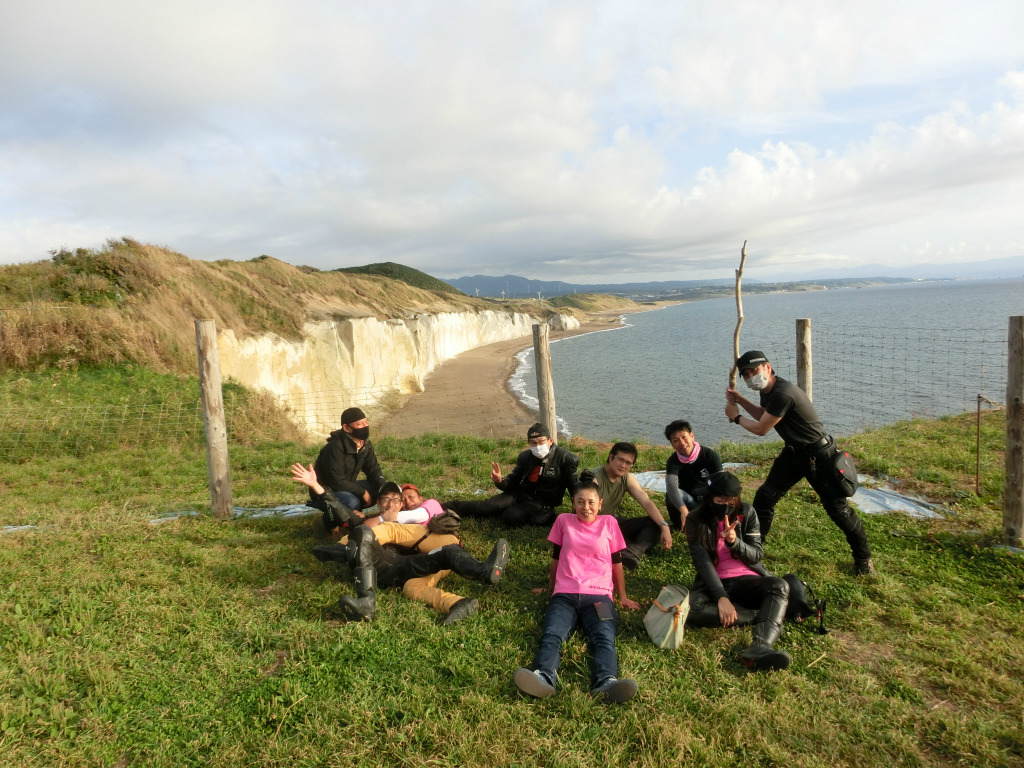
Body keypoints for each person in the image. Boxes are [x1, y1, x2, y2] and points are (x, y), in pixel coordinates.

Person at [725, 350, 875, 576]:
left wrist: (736, 417)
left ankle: (864, 560)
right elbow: (764, 415)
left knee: (839, 511)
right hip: (794, 454)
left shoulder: (783, 393)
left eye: (754, 371)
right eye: (745, 374)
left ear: (768, 367)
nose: (750, 377)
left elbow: (761, 428)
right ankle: (752, 551)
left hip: (819, 456)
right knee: (765, 497)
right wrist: (740, 400)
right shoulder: (768, 391)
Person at [293, 470, 509, 626]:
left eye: (397, 500)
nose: (391, 503)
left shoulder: (421, 512)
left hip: (431, 548)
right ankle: (459, 603)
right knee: (411, 587)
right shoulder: (373, 521)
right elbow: (345, 515)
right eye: (385, 499)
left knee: (385, 532)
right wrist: (317, 487)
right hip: (401, 566)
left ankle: (346, 551)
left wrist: (371, 528)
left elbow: (400, 523)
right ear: (378, 503)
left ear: (404, 504)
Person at [513, 471, 641, 704]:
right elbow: (555, 559)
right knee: (552, 634)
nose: (586, 507)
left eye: (591, 502)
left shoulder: (609, 523)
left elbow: (617, 562)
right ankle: (543, 676)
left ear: (600, 504)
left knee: (604, 637)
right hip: (565, 595)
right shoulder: (563, 521)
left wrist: (622, 595)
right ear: (573, 503)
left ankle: (607, 682)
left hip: (600, 597)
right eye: (580, 502)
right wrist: (550, 588)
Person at [685, 471, 792, 671]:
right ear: (709, 497)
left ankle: (761, 646)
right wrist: (721, 597)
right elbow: (703, 563)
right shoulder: (695, 519)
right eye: (720, 500)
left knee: (779, 585)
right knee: (688, 608)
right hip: (716, 582)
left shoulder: (747, 512)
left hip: (748, 580)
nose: (726, 504)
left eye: (731, 500)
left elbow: (756, 555)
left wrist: (734, 542)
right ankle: (761, 615)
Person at [445, 422, 579, 528]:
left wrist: (577, 512)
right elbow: (512, 482)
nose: (537, 446)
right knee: (486, 507)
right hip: (520, 494)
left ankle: (537, 515)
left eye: (541, 441)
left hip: (542, 503)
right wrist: (500, 481)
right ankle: (443, 506)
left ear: (550, 441)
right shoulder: (525, 457)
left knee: (511, 517)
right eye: (533, 442)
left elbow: (575, 488)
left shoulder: (566, 459)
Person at [591, 442, 672, 570]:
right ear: (611, 457)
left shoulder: (627, 478)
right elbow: (583, 512)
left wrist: (664, 527)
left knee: (654, 523)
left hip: (612, 523)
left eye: (628, 463)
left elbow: (646, 502)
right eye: (620, 460)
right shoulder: (594, 479)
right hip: (591, 527)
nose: (623, 465)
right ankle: (619, 546)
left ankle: (632, 552)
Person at [309, 406, 387, 535]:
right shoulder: (334, 448)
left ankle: (357, 518)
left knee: (379, 488)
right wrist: (362, 492)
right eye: (359, 424)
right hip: (325, 491)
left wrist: (386, 489)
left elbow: (373, 470)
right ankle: (329, 524)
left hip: (346, 486)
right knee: (351, 501)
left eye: (366, 422)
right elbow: (336, 482)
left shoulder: (365, 444)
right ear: (346, 428)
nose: (364, 426)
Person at [663, 420, 722, 530]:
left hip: (707, 499)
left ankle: (711, 522)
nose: (682, 443)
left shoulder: (710, 456)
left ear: (692, 436)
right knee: (670, 494)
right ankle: (681, 525)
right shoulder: (673, 461)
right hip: (688, 501)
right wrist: (683, 509)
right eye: (676, 440)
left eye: (684, 437)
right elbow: (671, 486)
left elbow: (720, 483)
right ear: (672, 444)